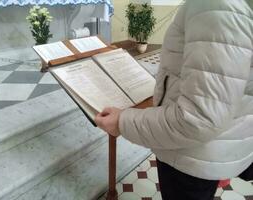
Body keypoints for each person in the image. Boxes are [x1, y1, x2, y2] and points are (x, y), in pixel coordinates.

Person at [95, 0, 253, 199]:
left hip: (190, 155)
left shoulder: (217, 5)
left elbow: (199, 119)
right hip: (212, 145)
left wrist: (122, 121)